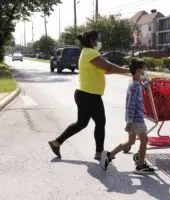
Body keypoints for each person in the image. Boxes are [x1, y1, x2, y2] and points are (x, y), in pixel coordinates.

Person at [48, 30, 129, 170]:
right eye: (98, 39)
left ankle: (56, 142)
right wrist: (128, 71)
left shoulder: (87, 53)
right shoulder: (90, 53)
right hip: (89, 96)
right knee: (100, 122)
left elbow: (107, 70)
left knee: (81, 123)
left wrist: (123, 70)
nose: (99, 41)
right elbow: (108, 66)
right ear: (92, 40)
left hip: (84, 94)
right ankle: (99, 153)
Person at [106, 59, 155, 174]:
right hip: (136, 120)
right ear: (138, 71)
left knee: (131, 141)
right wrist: (129, 122)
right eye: (144, 70)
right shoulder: (135, 87)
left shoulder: (135, 84)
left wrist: (147, 85)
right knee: (144, 140)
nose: (145, 72)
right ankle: (141, 166)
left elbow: (140, 87)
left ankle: (109, 155)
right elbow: (131, 105)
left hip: (133, 119)